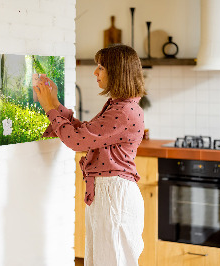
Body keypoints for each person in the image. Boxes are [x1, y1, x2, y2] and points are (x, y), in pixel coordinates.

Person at [33, 44, 146, 266]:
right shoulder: (119, 106)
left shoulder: (123, 111)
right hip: (108, 193)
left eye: (101, 67)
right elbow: (85, 133)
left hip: (114, 195)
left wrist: (49, 108)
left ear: (117, 71)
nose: (95, 72)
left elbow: (77, 141)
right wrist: (55, 104)